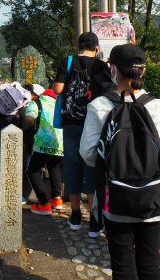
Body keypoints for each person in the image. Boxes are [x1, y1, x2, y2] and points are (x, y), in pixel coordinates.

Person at [80, 44, 160, 280]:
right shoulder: (158, 106)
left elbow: (88, 153)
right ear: (143, 70)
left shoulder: (99, 106)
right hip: (152, 198)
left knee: (122, 266)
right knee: (150, 264)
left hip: (115, 198)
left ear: (113, 69)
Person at [53, 31, 113, 236]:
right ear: (96, 48)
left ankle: (76, 215)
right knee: (92, 167)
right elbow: (108, 93)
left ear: (78, 47)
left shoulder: (68, 61)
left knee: (72, 167)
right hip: (94, 123)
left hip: (71, 123)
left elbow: (57, 89)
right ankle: (95, 221)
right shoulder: (101, 66)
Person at [22, 85, 64, 215]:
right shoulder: (59, 104)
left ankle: (44, 204)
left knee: (32, 171)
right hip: (59, 144)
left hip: (41, 143)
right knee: (54, 168)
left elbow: (29, 119)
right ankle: (57, 200)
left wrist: (23, 133)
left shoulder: (36, 103)